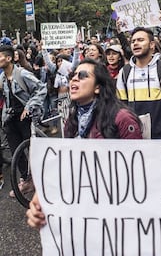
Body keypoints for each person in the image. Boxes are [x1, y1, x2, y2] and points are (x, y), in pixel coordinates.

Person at [26, 58, 143, 229]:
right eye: (73, 75)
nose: (73, 79)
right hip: (84, 212)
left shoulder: (122, 118)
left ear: (98, 87)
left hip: (115, 214)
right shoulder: (72, 122)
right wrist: (42, 199)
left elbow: (138, 172)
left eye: (82, 76)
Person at [0, 45, 47, 197]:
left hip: (25, 118)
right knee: (16, 153)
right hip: (11, 118)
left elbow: (41, 89)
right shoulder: (1, 78)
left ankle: (42, 180)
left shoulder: (22, 74)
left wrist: (29, 106)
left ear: (8, 58)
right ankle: (27, 180)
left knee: (34, 150)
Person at [116, 27, 161, 139]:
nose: (135, 43)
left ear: (152, 45)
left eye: (140, 40)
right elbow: (121, 106)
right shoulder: (124, 72)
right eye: (133, 41)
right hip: (134, 137)